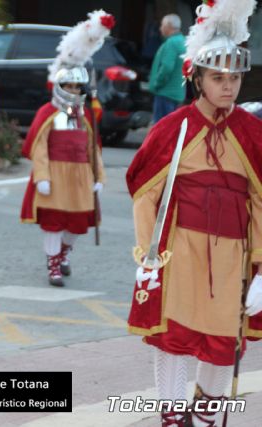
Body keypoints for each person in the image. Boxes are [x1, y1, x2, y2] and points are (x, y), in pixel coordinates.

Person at [126, 1, 262, 425]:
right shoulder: (173, 128)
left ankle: (203, 418)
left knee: (224, 341)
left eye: (235, 78)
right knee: (173, 338)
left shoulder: (252, 133)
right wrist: (149, 255)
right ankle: (171, 416)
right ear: (197, 79)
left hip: (231, 257)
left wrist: (261, 266)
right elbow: (144, 193)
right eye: (218, 78)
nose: (228, 87)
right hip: (179, 250)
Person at [20, 10, 112, 287]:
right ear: (59, 85)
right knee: (54, 222)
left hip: (81, 177)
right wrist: (43, 177)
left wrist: (99, 177)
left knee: (77, 223)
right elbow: (39, 148)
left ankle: (63, 254)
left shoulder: (85, 115)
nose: (73, 90)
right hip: (55, 176)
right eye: (68, 85)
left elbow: (93, 148)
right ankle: (53, 266)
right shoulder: (47, 112)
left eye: (77, 86)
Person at [149, 14, 186, 123]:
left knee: (161, 131)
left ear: (169, 26)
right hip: (178, 94)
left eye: (162, 25)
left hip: (165, 93)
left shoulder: (171, 43)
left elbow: (167, 67)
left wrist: (157, 84)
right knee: (172, 130)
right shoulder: (183, 41)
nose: (160, 28)